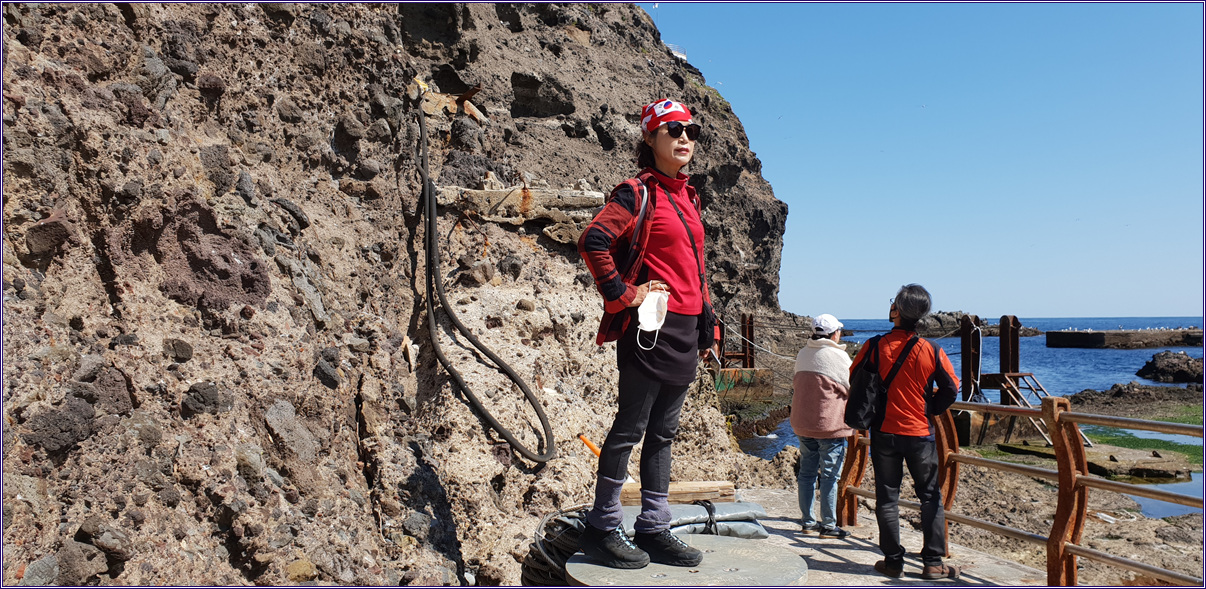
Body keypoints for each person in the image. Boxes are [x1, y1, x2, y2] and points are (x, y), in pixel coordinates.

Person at [576, 98, 719, 569]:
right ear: (649, 137)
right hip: (649, 328)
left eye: (691, 131)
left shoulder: (689, 196)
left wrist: (708, 326)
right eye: (673, 130)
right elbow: (593, 240)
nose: (685, 138)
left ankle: (654, 526)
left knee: (663, 433)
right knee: (630, 428)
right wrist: (624, 294)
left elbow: (695, 268)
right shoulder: (636, 192)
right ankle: (602, 525)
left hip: (685, 329)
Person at [850, 284, 961, 580]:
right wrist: (931, 407)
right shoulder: (931, 350)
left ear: (896, 310)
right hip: (920, 433)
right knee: (930, 497)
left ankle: (893, 562)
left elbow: (854, 377)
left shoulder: (875, 345)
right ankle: (933, 563)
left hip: (884, 431)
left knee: (887, 498)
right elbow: (952, 387)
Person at [791, 313, 853, 539]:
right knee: (829, 476)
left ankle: (808, 522)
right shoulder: (839, 357)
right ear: (834, 334)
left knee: (806, 474)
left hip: (803, 423)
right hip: (830, 425)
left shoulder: (803, 354)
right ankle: (828, 525)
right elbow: (851, 387)